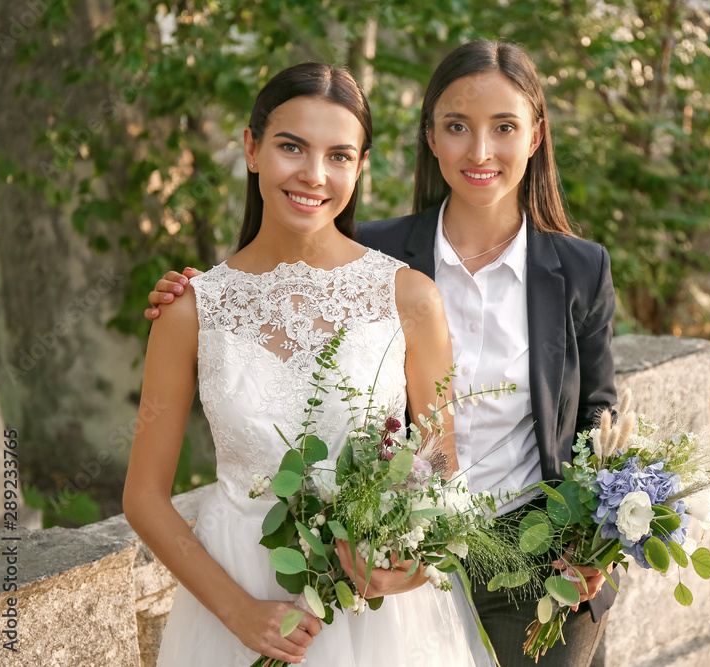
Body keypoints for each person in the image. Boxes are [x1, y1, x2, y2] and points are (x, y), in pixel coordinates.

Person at [146, 40, 618, 667]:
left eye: (503, 127)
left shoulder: (562, 272)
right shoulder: (367, 251)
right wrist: (192, 303)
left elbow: (595, 420)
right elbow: (293, 254)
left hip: (517, 564)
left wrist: (591, 544)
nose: (479, 152)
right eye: (457, 127)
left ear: (535, 135)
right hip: (276, 579)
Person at [125, 61, 492, 667]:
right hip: (234, 607)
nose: (314, 175)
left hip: (380, 626)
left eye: (340, 155)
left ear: (360, 166)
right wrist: (239, 612)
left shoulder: (410, 299)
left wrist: (406, 571)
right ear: (251, 149)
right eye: (291, 146)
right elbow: (143, 496)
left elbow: (438, 475)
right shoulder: (190, 310)